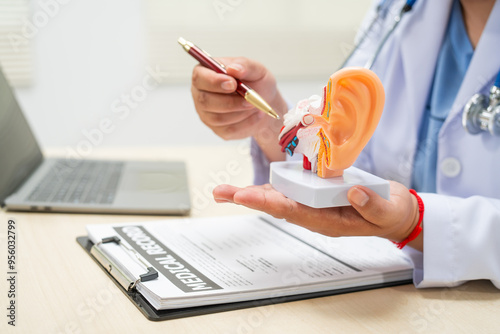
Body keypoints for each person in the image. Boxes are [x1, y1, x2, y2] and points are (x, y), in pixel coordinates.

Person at [190, 0, 500, 289]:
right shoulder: (401, 9)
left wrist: (415, 222)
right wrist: (269, 125)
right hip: (387, 285)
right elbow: (348, 154)